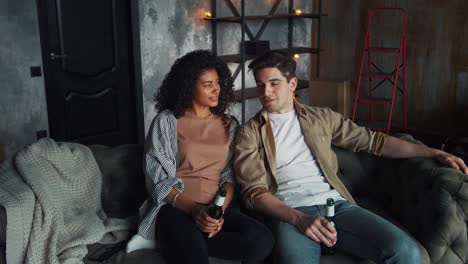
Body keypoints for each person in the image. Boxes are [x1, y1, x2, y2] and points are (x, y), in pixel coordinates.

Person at [234, 50, 468, 264]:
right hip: (289, 213)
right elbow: (254, 193)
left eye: (274, 83)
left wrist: (433, 151)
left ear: (292, 83)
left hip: (335, 205)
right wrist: (298, 219)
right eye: (260, 85)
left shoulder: (321, 118)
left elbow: (374, 141)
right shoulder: (250, 133)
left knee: (405, 251)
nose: (265, 92)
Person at [126, 50, 274, 264]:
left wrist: (217, 213)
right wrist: (195, 210)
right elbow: (158, 180)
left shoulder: (229, 125)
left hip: (215, 206)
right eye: (207, 85)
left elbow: (229, 176)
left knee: (262, 241)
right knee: (195, 256)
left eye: (217, 82)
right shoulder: (166, 121)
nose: (217, 89)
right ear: (188, 88)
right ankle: (178, 239)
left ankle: (174, 242)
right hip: (176, 207)